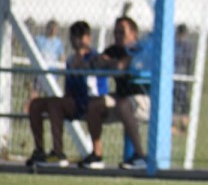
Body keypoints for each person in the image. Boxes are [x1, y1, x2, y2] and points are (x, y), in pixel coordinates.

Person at [25, 21, 108, 168]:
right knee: (36, 105)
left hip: (90, 101)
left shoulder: (95, 57)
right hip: (74, 101)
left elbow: (96, 84)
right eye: (73, 37)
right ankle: (40, 151)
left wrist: (84, 64)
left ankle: (58, 153)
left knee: (55, 105)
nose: (76, 41)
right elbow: (69, 89)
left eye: (80, 37)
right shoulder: (70, 59)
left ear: (88, 38)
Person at [79, 16, 151, 170]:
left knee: (123, 105)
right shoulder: (113, 50)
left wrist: (111, 64)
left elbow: (120, 66)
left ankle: (141, 156)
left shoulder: (140, 49)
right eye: (116, 32)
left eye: (122, 32)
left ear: (133, 34)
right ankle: (96, 155)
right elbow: (96, 63)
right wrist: (110, 63)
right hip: (122, 99)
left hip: (145, 100)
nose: (117, 35)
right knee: (94, 105)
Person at [25, 19, 66, 110]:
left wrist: (61, 68)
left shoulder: (58, 43)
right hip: (39, 71)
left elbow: (62, 57)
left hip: (53, 74)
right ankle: (26, 113)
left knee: (51, 96)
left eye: (54, 28)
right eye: (51, 28)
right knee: (34, 94)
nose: (52, 30)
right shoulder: (39, 39)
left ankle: (50, 113)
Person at [172, 24, 194, 135]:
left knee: (175, 104)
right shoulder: (187, 46)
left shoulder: (173, 45)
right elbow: (189, 62)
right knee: (182, 104)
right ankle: (182, 128)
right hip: (183, 77)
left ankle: (175, 127)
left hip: (174, 77)